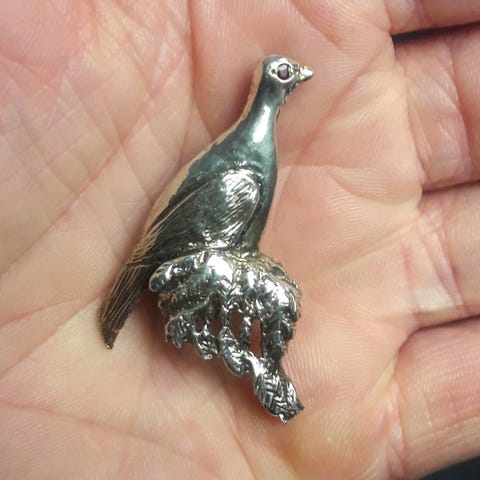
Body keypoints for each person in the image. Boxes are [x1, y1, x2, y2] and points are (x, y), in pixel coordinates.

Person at [1, 2, 479, 478]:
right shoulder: (243, 173)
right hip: (182, 262)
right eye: (288, 73)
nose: (299, 76)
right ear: (273, 84)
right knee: (245, 195)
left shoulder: (249, 151)